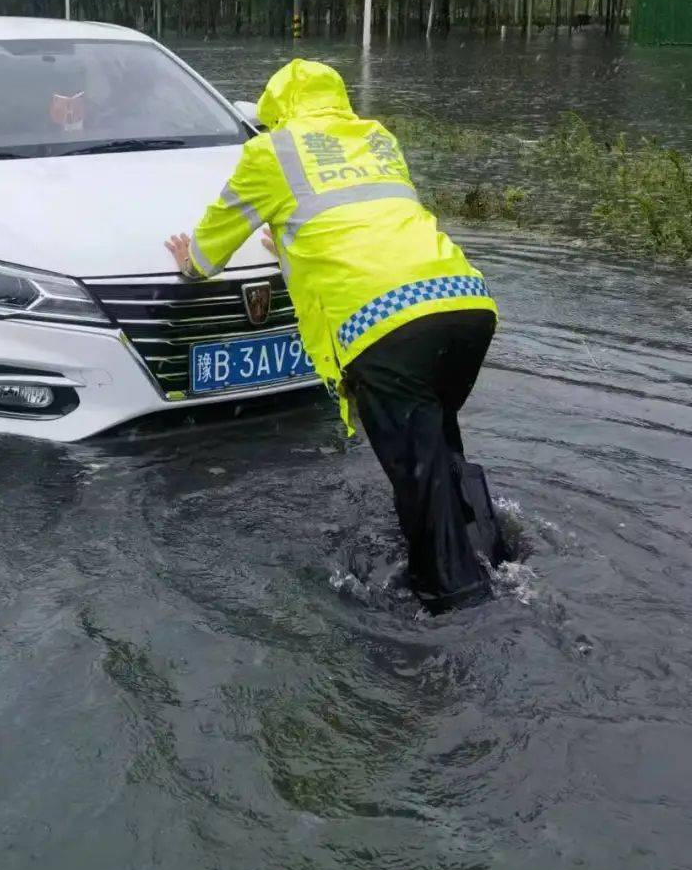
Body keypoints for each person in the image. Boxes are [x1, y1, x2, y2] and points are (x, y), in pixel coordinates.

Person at [165, 59, 504, 612]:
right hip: (466, 306)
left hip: (389, 329)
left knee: (417, 480)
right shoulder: (375, 139)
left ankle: (455, 607)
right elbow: (367, 226)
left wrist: (190, 262)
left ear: (274, 112)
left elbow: (208, 250)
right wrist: (295, 245)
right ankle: (497, 555)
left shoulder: (269, 152)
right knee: (439, 446)